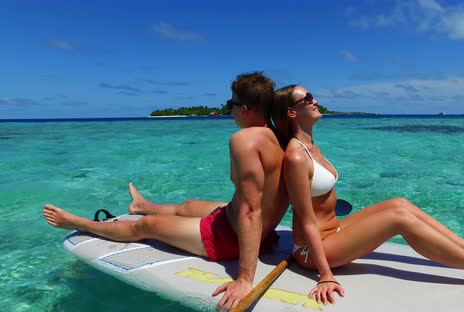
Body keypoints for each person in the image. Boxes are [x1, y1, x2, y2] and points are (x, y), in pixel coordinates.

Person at [271, 85, 464, 305]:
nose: (314, 99)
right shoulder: (296, 155)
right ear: (292, 113)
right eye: (306, 98)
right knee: (398, 219)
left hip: (333, 230)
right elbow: (306, 219)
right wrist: (326, 275)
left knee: (399, 204)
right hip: (311, 250)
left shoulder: (311, 145)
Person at [43, 72, 290, 310]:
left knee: (147, 226)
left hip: (230, 237)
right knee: (189, 206)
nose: (230, 111)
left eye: (231, 104)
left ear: (244, 109)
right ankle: (141, 206)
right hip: (253, 229)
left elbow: (250, 210)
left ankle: (83, 224)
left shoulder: (244, 139)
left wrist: (245, 279)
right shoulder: (281, 137)